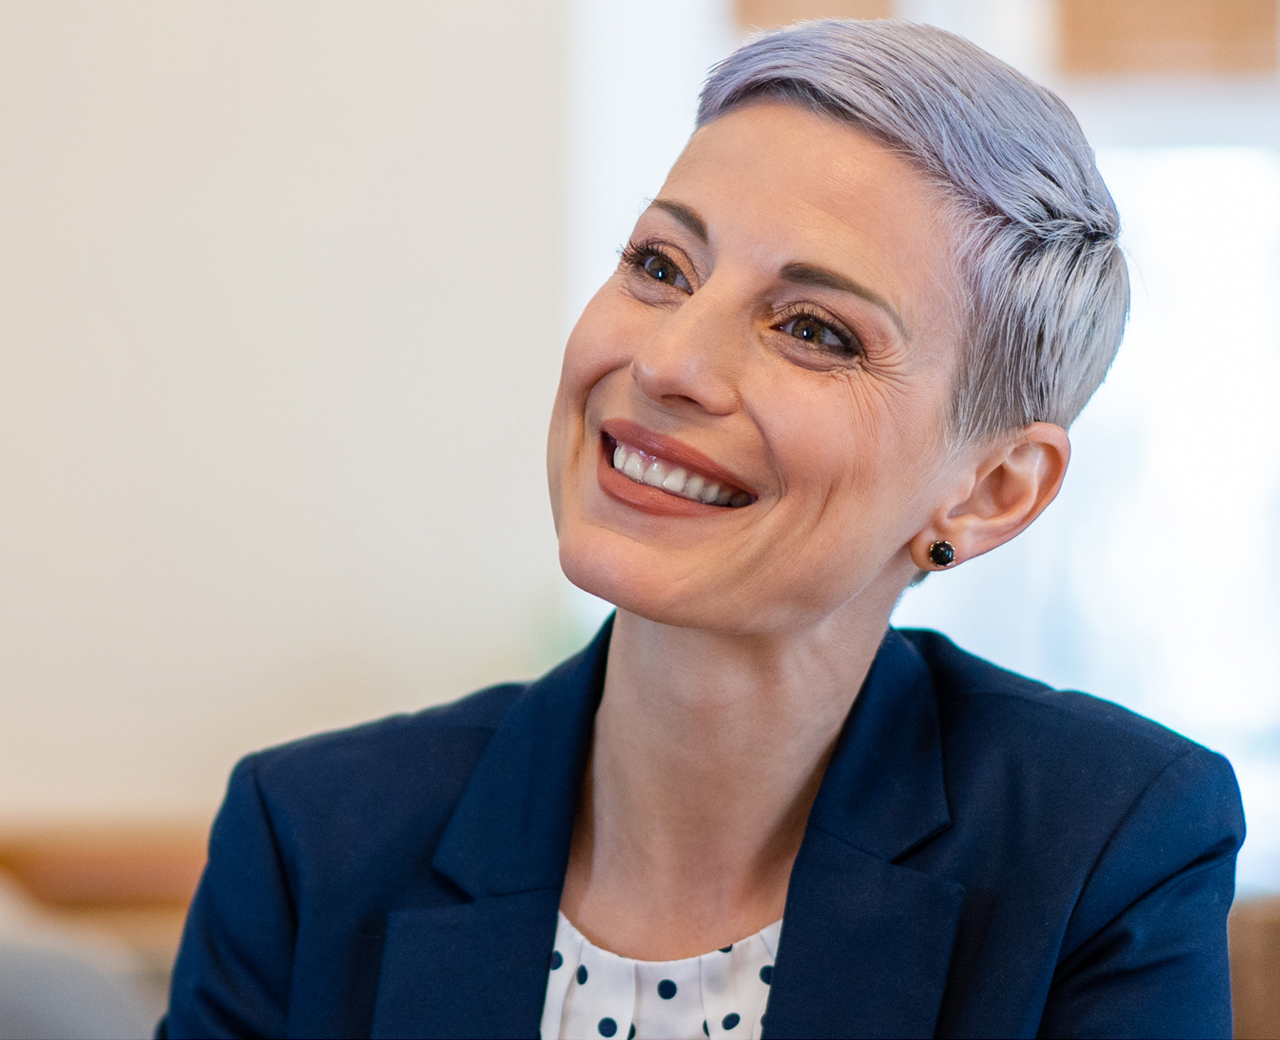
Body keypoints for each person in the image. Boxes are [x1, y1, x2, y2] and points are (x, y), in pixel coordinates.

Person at [159, 19, 1244, 1040]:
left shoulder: (1105, 844)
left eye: (813, 329)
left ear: (991, 489)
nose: (668, 362)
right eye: (660, 266)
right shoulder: (308, 837)